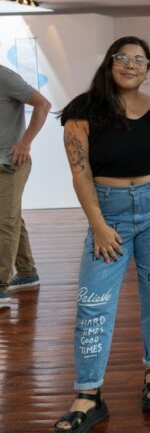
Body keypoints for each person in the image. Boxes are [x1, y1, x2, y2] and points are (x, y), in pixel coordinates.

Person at [54, 36, 150, 432]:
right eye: (122, 57)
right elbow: (80, 172)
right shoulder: (83, 109)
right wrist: (99, 226)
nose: (130, 65)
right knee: (94, 301)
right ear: (109, 63)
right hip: (108, 213)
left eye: (139, 59)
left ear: (148, 69)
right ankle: (88, 394)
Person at [0, 65, 51, 304]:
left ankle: (0, 287)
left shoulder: (4, 75)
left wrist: (25, 142)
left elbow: (43, 104)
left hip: (9, 164)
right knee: (10, 218)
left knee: (4, 224)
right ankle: (27, 272)